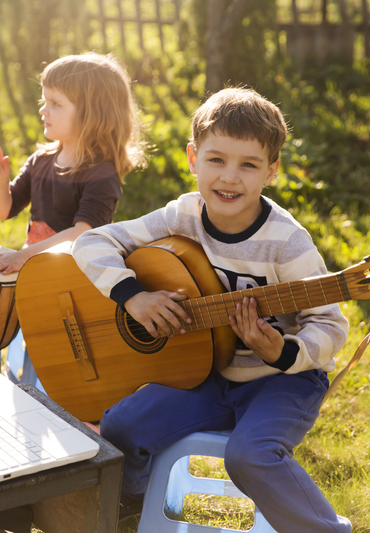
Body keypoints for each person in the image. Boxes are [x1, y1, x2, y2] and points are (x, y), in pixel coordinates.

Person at [71, 87, 352, 531]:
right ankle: (133, 508)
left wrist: (281, 350)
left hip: (282, 380)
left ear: (271, 171)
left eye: (248, 165)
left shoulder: (287, 242)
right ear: (192, 157)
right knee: (122, 424)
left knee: (249, 455)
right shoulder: (181, 216)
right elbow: (92, 241)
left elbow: (331, 324)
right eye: (216, 159)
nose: (229, 178)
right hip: (204, 372)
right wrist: (134, 296)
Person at [0, 52, 146, 383]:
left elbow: (80, 234)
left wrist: (23, 256)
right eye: (44, 100)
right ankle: (3, 379)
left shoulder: (101, 175)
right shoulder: (41, 161)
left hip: (72, 284)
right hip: (34, 274)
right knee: (19, 340)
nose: (43, 110)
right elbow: (3, 210)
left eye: (55, 103)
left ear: (91, 114)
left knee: (49, 357)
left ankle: (43, 396)